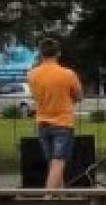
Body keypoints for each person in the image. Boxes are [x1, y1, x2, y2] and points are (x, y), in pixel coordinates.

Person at [26, 38, 82, 196]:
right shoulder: (68, 74)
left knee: (53, 162)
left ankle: (61, 197)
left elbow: (35, 96)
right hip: (63, 123)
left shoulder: (32, 74)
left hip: (42, 122)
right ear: (58, 53)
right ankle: (48, 198)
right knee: (59, 162)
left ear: (40, 53)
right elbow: (79, 96)